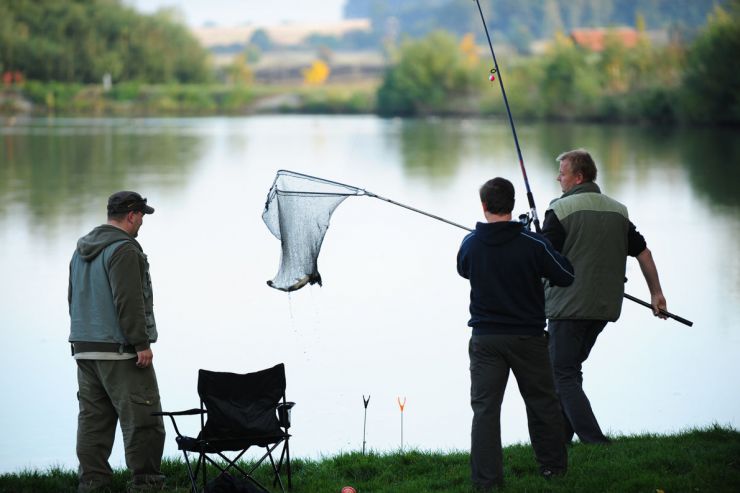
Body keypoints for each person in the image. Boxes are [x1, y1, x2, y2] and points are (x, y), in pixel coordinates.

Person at [542, 149, 668, 445]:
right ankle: (562, 438)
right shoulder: (617, 210)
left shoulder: (560, 210)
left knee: (562, 373)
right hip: (603, 308)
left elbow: (542, 257)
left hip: (566, 307)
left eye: (562, 172)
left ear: (578, 177)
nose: (558, 177)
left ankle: (595, 442)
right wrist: (657, 294)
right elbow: (643, 252)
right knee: (568, 370)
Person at [457, 177, 575, 490]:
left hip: (485, 340)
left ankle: (487, 481)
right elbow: (565, 275)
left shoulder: (470, 243)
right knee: (542, 403)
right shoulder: (533, 244)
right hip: (528, 338)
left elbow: (463, 269)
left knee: (485, 410)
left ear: (484, 206)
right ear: (512, 205)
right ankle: (553, 469)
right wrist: (544, 243)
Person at [68, 191, 165, 492]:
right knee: (144, 417)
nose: (142, 224)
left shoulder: (82, 249)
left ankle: (93, 483)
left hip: (85, 348)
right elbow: (129, 301)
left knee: (93, 421)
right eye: (141, 217)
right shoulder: (124, 249)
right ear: (132, 215)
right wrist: (141, 344)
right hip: (121, 351)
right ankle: (146, 483)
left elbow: (72, 298)